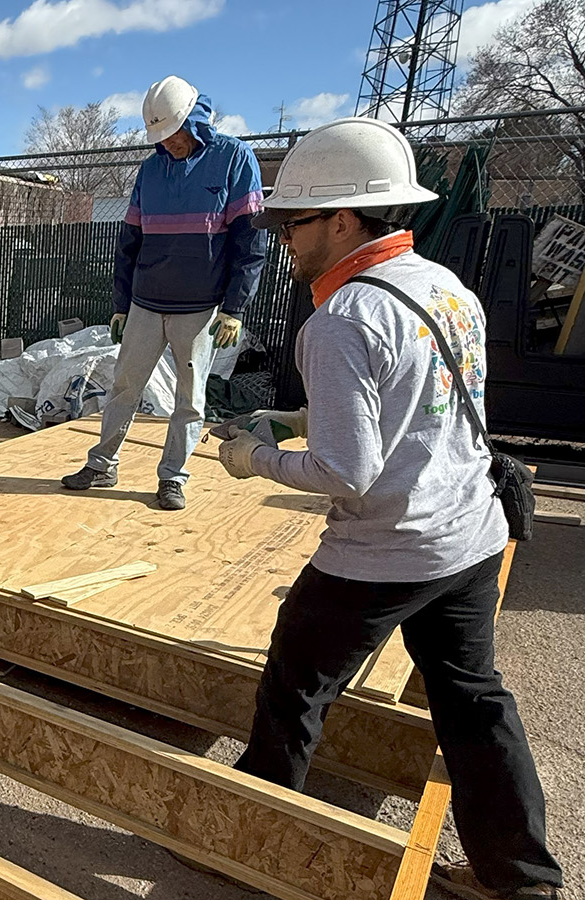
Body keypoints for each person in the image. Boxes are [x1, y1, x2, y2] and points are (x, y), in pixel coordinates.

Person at [213, 117, 562, 900]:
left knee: (294, 685)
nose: (284, 239)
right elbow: (425, 405)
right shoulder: (447, 288)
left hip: (386, 550)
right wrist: (300, 419)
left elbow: (349, 471)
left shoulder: (340, 321)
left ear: (343, 219)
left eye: (294, 222)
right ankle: (522, 878)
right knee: (474, 702)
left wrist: (253, 457)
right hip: (470, 538)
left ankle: (249, 841)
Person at [60, 75, 267, 510]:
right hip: (145, 302)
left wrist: (234, 308)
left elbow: (250, 242)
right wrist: (120, 305)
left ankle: (172, 476)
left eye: (174, 134)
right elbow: (129, 240)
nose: (168, 143)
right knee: (124, 386)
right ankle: (102, 464)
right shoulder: (151, 169)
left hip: (200, 306)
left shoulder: (234, 159)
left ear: (194, 122)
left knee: (189, 399)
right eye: (162, 136)